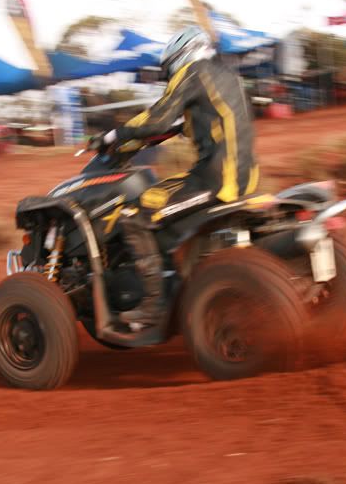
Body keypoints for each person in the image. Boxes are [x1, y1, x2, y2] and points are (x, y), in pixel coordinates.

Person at [94, 25, 259, 333]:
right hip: (246, 176)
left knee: (133, 216)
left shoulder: (192, 72)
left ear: (181, 57)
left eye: (169, 68)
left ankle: (152, 308)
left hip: (213, 179)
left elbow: (157, 117)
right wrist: (136, 141)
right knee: (165, 204)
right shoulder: (228, 78)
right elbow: (180, 125)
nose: (170, 75)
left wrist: (114, 135)